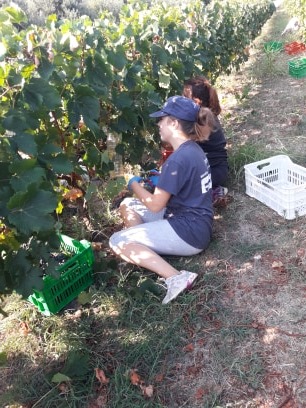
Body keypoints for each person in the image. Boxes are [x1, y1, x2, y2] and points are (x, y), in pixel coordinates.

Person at [109, 96, 215, 304]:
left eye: (162, 119)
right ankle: (149, 252)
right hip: (197, 223)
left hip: (189, 232)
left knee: (117, 241)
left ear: (174, 123)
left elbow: (156, 204)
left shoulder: (177, 160)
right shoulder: (192, 150)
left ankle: (176, 277)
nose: (158, 124)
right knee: (127, 205)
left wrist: (133, 183)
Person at [183, 76, 229, 203]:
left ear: (196, 102)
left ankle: (214, 191)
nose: (182, 100)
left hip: (213, 171)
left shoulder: (202, 120)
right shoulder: (203, 114)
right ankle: (213, 190)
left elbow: (184, 144)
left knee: (184, 187)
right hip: (215, 169)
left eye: (184, 97)